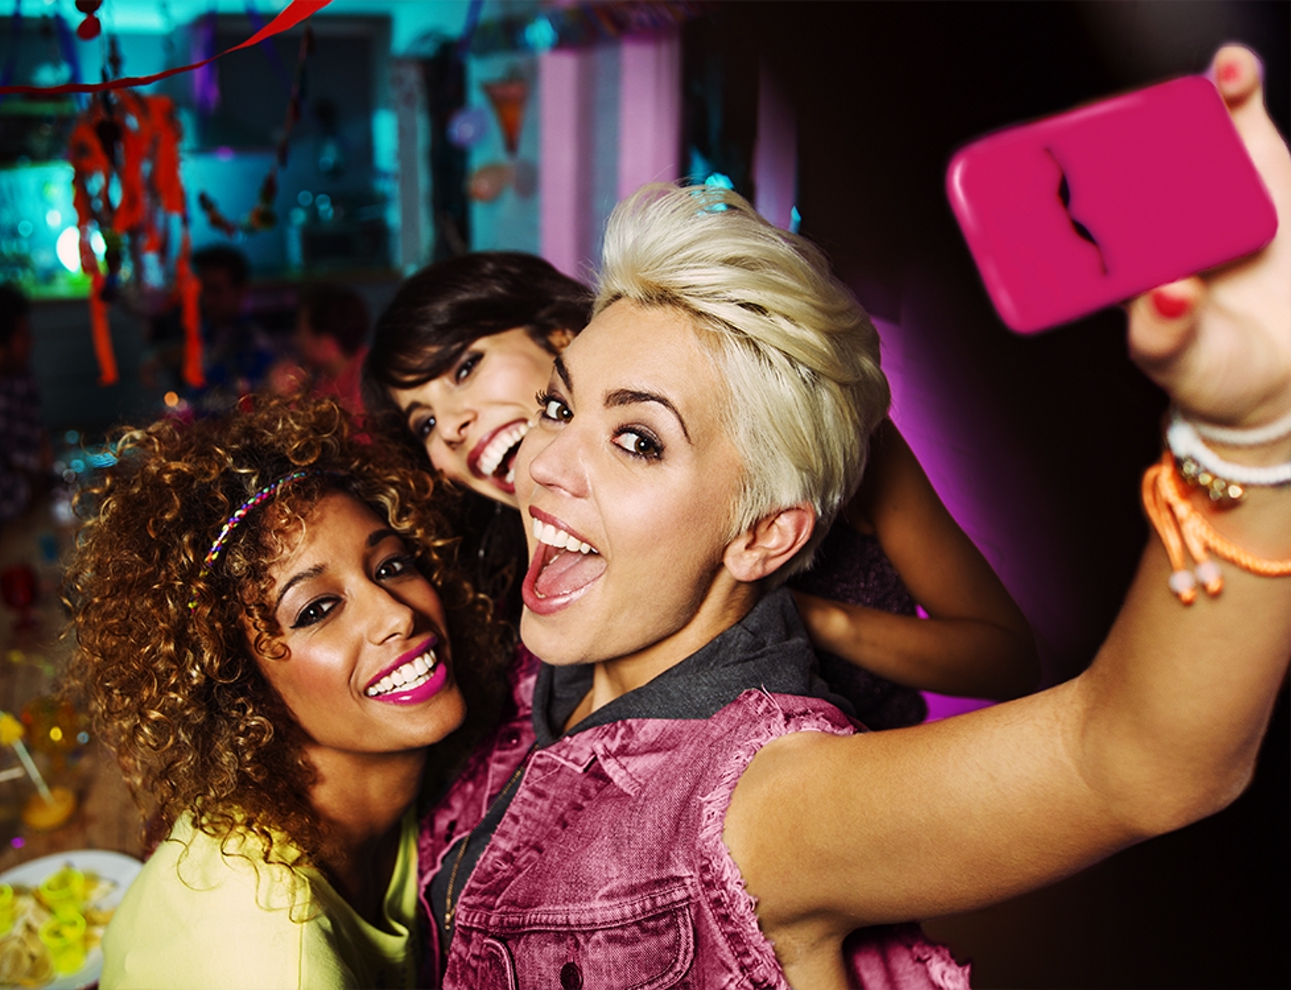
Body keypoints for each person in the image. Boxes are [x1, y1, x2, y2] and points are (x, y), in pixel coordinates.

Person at [416, 46, 1291, 988]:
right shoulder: (553, 671)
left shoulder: (757, 800)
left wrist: (1253, 430)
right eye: (558, 408)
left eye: (639, 440)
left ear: (766, 535)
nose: (543, 463)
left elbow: (1132, 758)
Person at [364, 253, 1038, 724]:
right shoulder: (506, 596)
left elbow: (1004, 660)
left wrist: (804, 617)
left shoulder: (804, 435)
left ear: (564, 335)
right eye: (423, 423)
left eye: (465, 368)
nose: (451, 427)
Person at [62, 394, 510, 989]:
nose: (396, 614)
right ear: (237, 680)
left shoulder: (405, 799)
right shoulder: (273, 954)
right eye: (317, 609)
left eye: (391, 566)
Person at [144, 245, 279, 415]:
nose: (207, 300)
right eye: (202, 290)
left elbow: (247, 407)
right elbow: (194, 350)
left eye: (216, 291)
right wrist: (158, 358)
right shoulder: (209, 331)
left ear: (240, 291)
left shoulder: (253, 344)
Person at [0, 282, 50, 558]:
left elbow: (32, 456)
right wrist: (35, 481)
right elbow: (7, 499)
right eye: (23, 334)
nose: (31, 341)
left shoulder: (9, 383)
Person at [270, 283, 371, 416]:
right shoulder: (324, 383)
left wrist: (284, 402)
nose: (296, 339)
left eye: (301, 331)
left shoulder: (368, 384)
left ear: (326, 344)